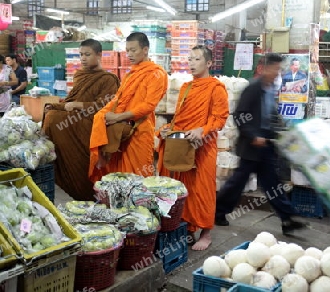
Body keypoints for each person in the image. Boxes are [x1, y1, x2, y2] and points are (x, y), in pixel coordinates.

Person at [215, 53, 307, 234]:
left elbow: (270, 115)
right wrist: (253, 136)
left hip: (265, 147)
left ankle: (287, 220)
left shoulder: (270, 88)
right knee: (237, 183)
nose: (277, 73)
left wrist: (282, 131)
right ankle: (218, 212)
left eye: (279, 69)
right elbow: (240, 116)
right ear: (265, 68)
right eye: (275, 69)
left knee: (273, 185)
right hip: (251, 147)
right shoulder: (253, 88)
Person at [157, 45, 229, 251]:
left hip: (204, 146)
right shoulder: (185, 88)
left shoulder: (216, 88)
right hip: (183, 144)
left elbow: (220, 118)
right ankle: (187, 229)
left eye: (196, 59)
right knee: (182, 188)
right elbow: (179, 119)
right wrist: (165, 130)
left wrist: (202, 129)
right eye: (189, 59)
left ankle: (206, 233)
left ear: (208, 63)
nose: (191, 63)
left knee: (202, 189)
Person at [42, 39, 120, 200]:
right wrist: (57, 107)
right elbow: (70, 101)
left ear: (99, 55)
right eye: (81, 55)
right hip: (73, 123)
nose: (83, 58)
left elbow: (104, 107)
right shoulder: (80, 75)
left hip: (92, 125)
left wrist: (79, 105)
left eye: (87, 54)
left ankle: (89, 194)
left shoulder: (108, 79)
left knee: (55, 119)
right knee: (51, 114)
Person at [89, 32, 168, 182]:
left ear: (145, 50)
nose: (129, 54)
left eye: (133, 50)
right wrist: (103, 114)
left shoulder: (157, 73)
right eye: (127, 50)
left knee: (139, 179)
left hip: (140, 131)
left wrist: (118, 117)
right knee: (119, 176)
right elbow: (118, 99)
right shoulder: (131, 74)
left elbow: (148, 105)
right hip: (120, 132)